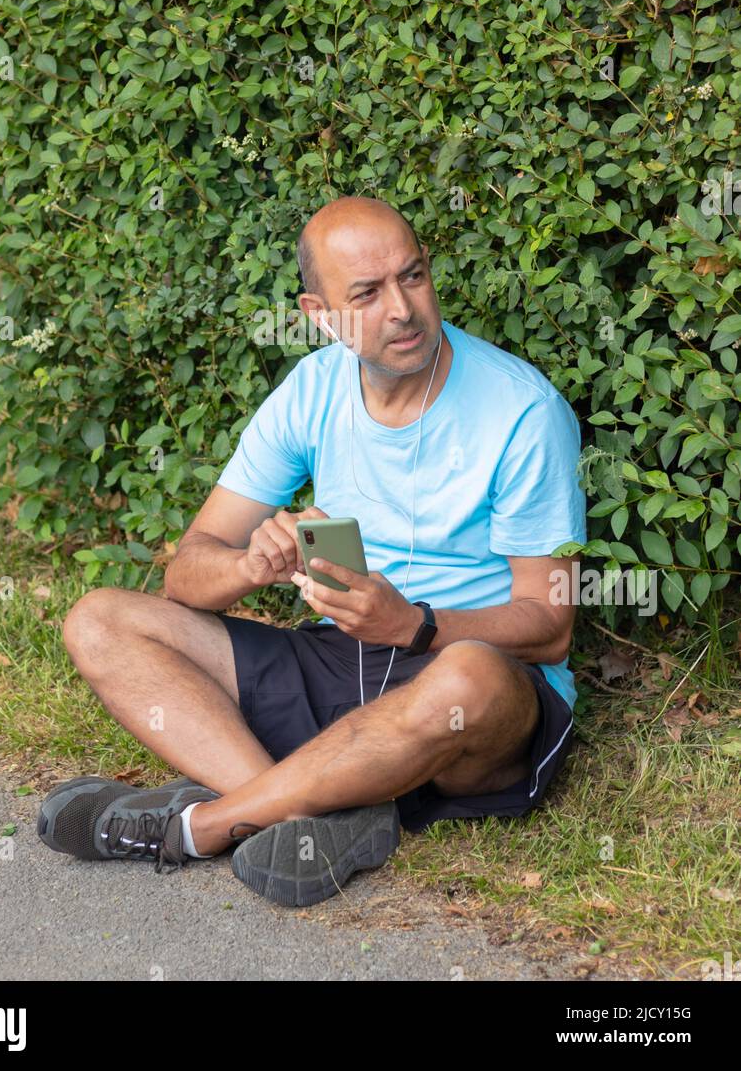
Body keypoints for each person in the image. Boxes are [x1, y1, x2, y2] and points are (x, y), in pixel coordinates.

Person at [38, 195, 587, 908]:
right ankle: (315, 813)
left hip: (466, 677)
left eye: (413, 276)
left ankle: (203, 825)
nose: (403, 308)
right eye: (367, 293)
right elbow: (185, 574)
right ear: (321, 315)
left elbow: (550, 627)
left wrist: (415, 625)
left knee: (467, 680)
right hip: (337, 661)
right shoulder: (313, 388)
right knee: (99, 620)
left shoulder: (523, 411)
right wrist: (247, 566)